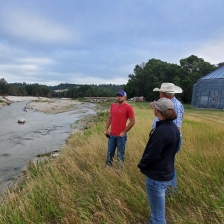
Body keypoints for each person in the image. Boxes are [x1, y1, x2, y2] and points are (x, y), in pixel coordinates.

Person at [138, 98, 180, 224]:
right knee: (156, 214)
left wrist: (142, 165)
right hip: (166, 173)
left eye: (155, 107)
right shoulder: (173, 128)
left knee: (157, 217)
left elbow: (153, 154)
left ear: (157, 111)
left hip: (157, 177)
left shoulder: (161, 131)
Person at [150, 83, 184, 193]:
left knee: (168, 165)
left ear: (164, 94)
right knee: (165, 164)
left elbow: (176, 129)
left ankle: (171, 190)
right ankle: (165, 188)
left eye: (160, 92)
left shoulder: (176, 106)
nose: (159, 94)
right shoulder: (168, 104)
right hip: (164, 140)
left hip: (167, 142)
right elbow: (159, 105)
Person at [104, 90, 135, 166]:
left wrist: (124, 132)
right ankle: (108, 168)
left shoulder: (128, 107)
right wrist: (106, 129)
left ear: (125, 97)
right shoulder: (113, 105)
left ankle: (119, 171)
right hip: (112, 135)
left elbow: (132, 122)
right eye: (118, 96)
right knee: (109, 153)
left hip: (121, 136)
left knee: (120, 154)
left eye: (121, 96)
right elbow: (110, 118)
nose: (119, 97)